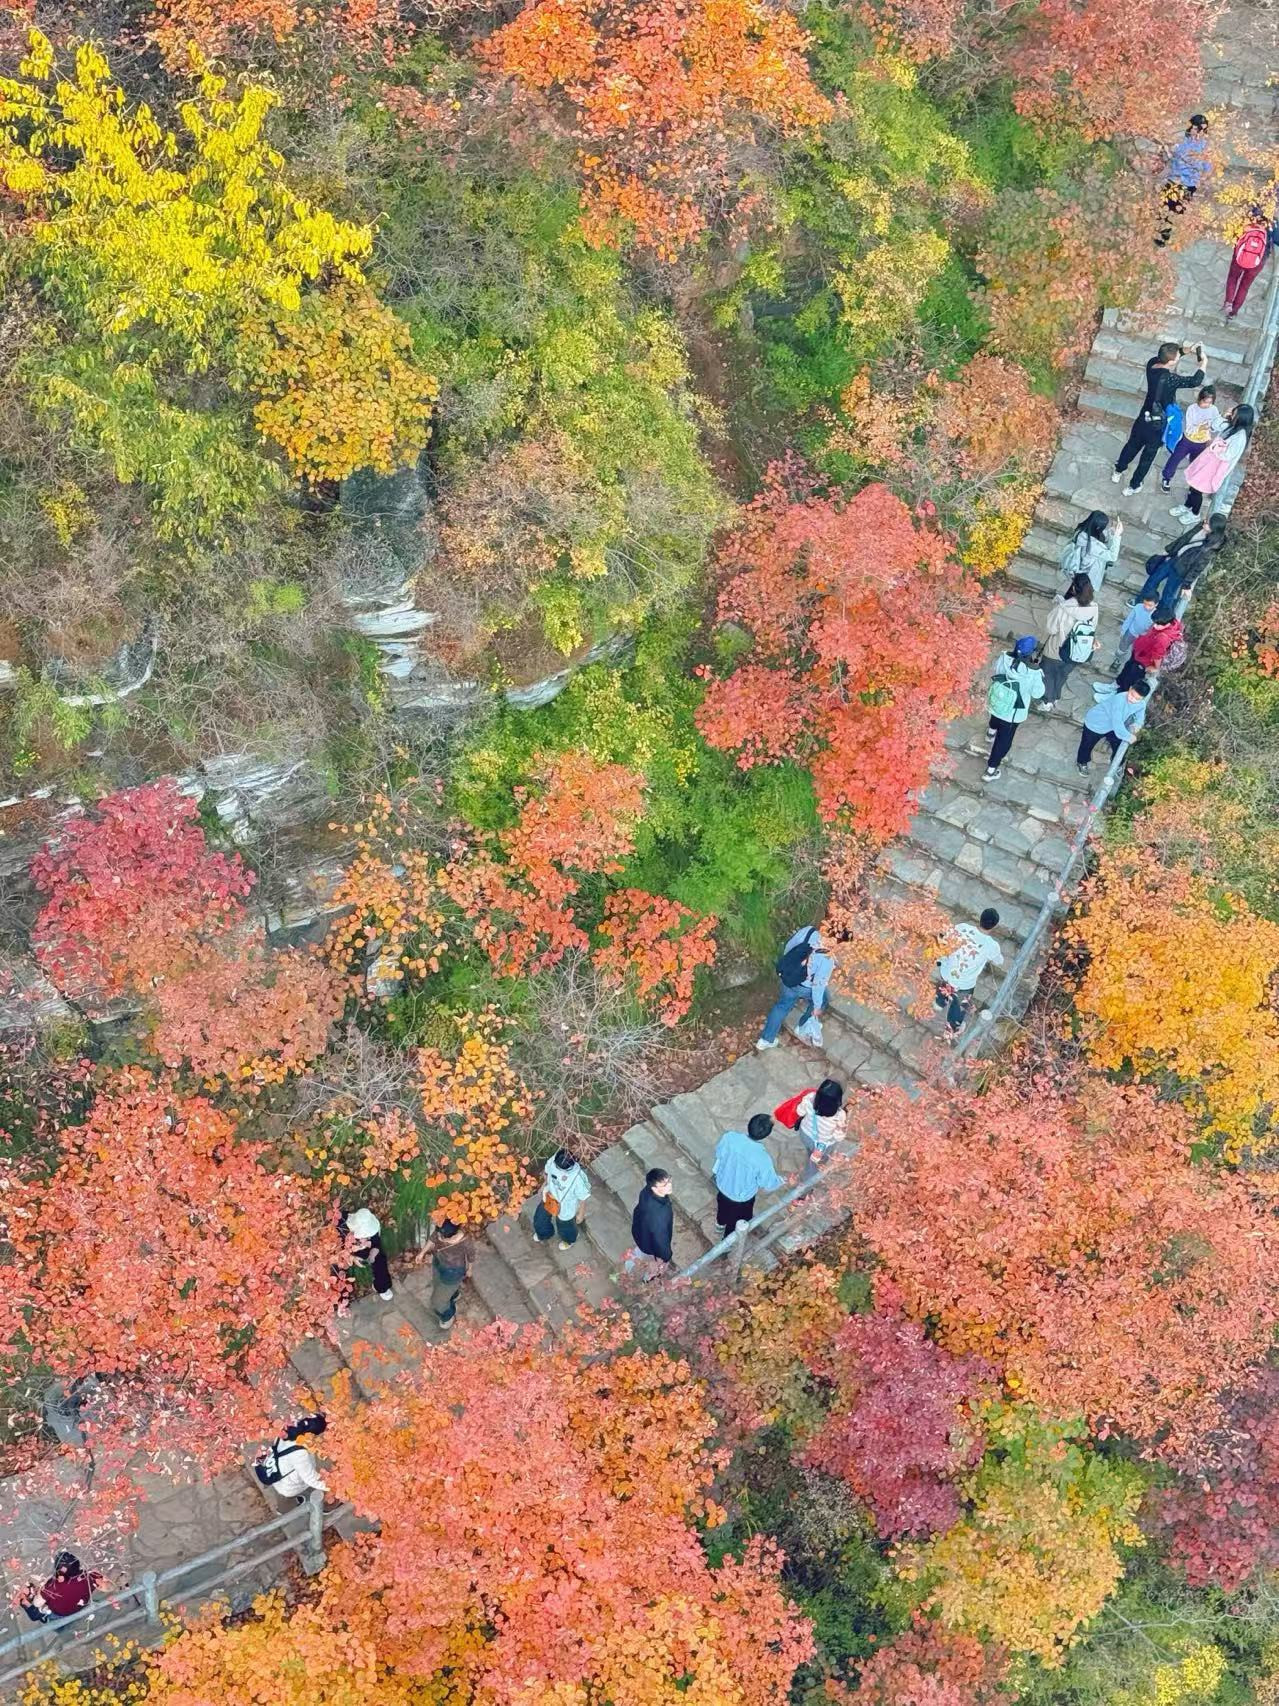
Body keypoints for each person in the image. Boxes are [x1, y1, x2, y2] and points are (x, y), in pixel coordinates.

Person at [1112, 341, 1206, 495]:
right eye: (1176, 358)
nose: (1177, 359)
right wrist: (1204, 364)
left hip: (1144, 417)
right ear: (1170, 362)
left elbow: (1174, 354)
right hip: (1158, 425)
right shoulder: (1170, 379)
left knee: (1132, 446)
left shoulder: (1152, 364)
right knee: (1147, 457)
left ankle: (1118, 470)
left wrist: (1188, 350)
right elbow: (1194, 381)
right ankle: (1133, 485)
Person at [755, 925, 835, 1050]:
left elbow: (789, 948)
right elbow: (818, 986)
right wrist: (817, 1007)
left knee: (782, 1006)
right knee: (824, 999)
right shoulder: (826, 959)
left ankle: (765, 1040)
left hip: (789, 980)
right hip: (806, 987)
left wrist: (793, 969)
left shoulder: (808, 931)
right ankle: (802, 1026)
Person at [1174, 404, 1255, 521]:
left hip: (1215, 466)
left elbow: (1227, 455)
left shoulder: (1240, 437)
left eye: (1235, 414)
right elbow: (1215, 425)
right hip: (1208, 460)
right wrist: (1224, 416)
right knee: (1193, 484)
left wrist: (1216, 444)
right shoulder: (1233, 426)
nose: (1232, 416)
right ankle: (1187, 505)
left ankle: (1195, 514)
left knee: (1198, 489)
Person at [983, 637, 1044, 781]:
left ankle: (990, 733)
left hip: (998, 700)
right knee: (1003, 742)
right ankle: (991, 771)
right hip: (1013, 712)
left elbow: (996, 670)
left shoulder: (1004, 657)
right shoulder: (1033, 672)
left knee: (995, 717)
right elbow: (1038, 693)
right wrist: (1036, 669)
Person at [933, 909, 1003, 1032]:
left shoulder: (962, 927)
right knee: (959, 1006)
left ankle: (939, 1002)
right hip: (964, 983)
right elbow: (999, 961)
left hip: (947, 971)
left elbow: (946, 938)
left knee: (945, 985)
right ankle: (953, 1026)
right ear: (995, 925)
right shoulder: (992, 946)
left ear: (980, 918)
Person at [712, 1114, 783, 1236]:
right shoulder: (763, 1158)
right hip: (741, 1198)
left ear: (749, 1125)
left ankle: (719, 1225)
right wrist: (782, 1180)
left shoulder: (729, 1137)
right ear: (766, 1134)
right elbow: (768, 1183)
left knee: (722, 1208)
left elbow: (719, 1153)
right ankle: (727, 1243)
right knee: (736, 1221)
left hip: (722, 1185)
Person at [1136, 513, 1228, 604]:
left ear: (1213, 528)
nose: (1204, 522)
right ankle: (1140, 603)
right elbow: (1184, 539)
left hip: (1181, 570)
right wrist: (1169, 550)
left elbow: (1198, 568)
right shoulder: (1200, 527)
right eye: (1206, 520)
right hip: (1174, 558)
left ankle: (1161, 615)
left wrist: (1187, 585)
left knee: (1168, 593)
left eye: (1207, 523)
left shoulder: (1210, 548)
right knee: (1153, 580)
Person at [1038, 573, 1098, 711]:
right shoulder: (1094, 608)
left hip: (1056, 649)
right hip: (1078, 651)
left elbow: (1050, 628)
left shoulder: (1063, 607)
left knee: (1048, 674)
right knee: (1063, 674)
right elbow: (1092, 628)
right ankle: (1057, 697)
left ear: (1074, 589)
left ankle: (1048, 701)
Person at [1157, 115, 1211, 246]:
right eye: (1196, 128)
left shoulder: (1204, 147)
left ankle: (1164, 234)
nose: (1197, 131)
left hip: (1188, 183)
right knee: (1165, 206)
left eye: (1200, 129)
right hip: (1175, 180)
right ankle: (1161, 233)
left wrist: (1201, 179)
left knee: (1175, 210)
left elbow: (1208, 167)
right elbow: (1171, 157)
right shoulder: (1182, 141)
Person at [1077, 680, 1151, 775]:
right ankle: (1082, 762)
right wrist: (1128, 736)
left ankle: (1117, 763)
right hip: (1095, 723)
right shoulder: (1119, 700)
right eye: (1132, 695)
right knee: (1087, 745)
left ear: (1142, 698)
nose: (1133, 699)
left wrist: (1137, 724)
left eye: (1137, 698)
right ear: (1130, 689)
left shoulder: (1141, 703)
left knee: (1118, 744)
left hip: (1111, 726)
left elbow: (1140, 714)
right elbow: (1117, 723)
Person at [1160, 385, 1226, 491]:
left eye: (1210, 402)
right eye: (1205, 402)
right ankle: (1166, 478)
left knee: (1196, 463)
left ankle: (1194, 485)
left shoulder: (1213, 409)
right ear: (1200, 399)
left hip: (1202, 442)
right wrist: (1202, 427)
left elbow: (1214, 427)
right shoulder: (1192, 409)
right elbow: (1190, 428)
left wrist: (1214, 425)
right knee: (1175, 458)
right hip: (1188, 440)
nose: (1207, 405)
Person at [254, 1415, 329, 1503]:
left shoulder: (282, 1433)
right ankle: (320, 1504)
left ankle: (286, 1504)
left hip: (275, 1476)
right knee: (314, 1487)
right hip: (289, 1487)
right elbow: (311, 1480)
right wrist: (335, 1486)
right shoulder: (299, 1453)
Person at [533, 1148, 591, 1250]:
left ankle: (569, 1240)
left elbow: (583, 1197)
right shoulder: (554, 1159)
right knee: (539, 1219)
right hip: (550, 1197)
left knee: (565, 1227)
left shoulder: (578, 1178)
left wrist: (581, 1213)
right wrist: (544, 1185)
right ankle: (544, 1234)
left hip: (566, 1206)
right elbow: (547, 1172)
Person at [19, 1554, 102, 1624]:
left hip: (61, 1613)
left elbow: (37, 1603)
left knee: (35, 1613)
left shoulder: (54, 1586)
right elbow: (100, 1579)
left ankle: (25, 1602)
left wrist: (41, 1590)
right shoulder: (88, 1576)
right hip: (78, 1607)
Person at [1116, 604, 1184, 689]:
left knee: (1130, 679)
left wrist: (1155, 667)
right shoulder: (1171, 622)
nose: (1155, 626)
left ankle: (1120, 691)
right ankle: (1116, 685)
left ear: (1168, 624)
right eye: (1154, 623)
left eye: (1158, 624)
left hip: (1143, 661)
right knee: (1127, 668)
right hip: (1139, 652)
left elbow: (1157, 656)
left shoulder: (1162, 638)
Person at [793, 1079, 848, 1180]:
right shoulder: (839, 1115)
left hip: (805, 1134)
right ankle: (806, 1188)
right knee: (815, 1165)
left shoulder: (809, 1098)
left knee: (810, 1149)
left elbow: (799, 1112)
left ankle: (810, 1151)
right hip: (822, 1145)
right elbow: (838, 1137)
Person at [1058, 511, 1122, 594]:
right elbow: (1112, 556)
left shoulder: (1082, 531)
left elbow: (1101, 538)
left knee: (1074, 589)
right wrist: (1117, 536)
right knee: (1079, 595)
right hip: (1087, 577)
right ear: (1098, 528)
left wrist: (1112, 532)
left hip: (1080, 572)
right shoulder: (1092, 546)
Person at [339, 1206, 393, 1302]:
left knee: (380, 1258)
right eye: (365, 1235)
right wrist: (352, 1257)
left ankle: (382, 1286)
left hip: (366, 1250)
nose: (368, 1236)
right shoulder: (343, 1228)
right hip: (350, 1251)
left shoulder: (370, 1225)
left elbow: (376, 1240)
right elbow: (340, 1250)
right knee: (340, 1269)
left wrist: (373, 1250)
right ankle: (342, 1301)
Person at [425, 1219, 472, 1329]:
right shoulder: (442, 1232)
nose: (440, 1237)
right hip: (438, 1263)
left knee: (437, 1302)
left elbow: (471, 1256)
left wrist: (470, 1269)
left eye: (443, 1236)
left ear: (453, 1235)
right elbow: (434, 1237)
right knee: (437, 1284)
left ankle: (447, 1315)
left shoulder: (464, 1241)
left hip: (453, 1272)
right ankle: (453, 1295)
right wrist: (422, 1253)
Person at [1224, 208, 1271, 317]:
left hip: (1240, 256)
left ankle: (1228, 303)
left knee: (1233, 278)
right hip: (1258, 261)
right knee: (1245, 286)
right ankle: (1233, 312)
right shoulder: (1271, 224)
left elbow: (1236, 234)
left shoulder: (1248, 218)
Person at [630, 1168, 674, 1267]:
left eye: (669, 1180)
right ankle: (650, 1278)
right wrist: (666, 1257)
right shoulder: (660, 1214)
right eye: (665, 1185)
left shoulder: (646, 1192)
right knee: (656, 1267)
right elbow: (660, 1239)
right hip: (649, 1245)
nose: (670, 1185)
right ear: (654, 1188)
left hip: (640, 1232)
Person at [1108, 596, 1157, 674]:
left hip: (1142, 637)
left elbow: (1152, 629)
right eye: (1145, 604)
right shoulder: (1138, 607)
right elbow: (1129, 619)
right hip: (1131, 631)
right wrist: (1123, 630)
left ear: (1156, 604)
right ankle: (1118, 659)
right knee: (1122, 646)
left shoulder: (1156, 614)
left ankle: (1130, 665)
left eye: (1150, 605)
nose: (1146, 607)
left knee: (1136, 652)